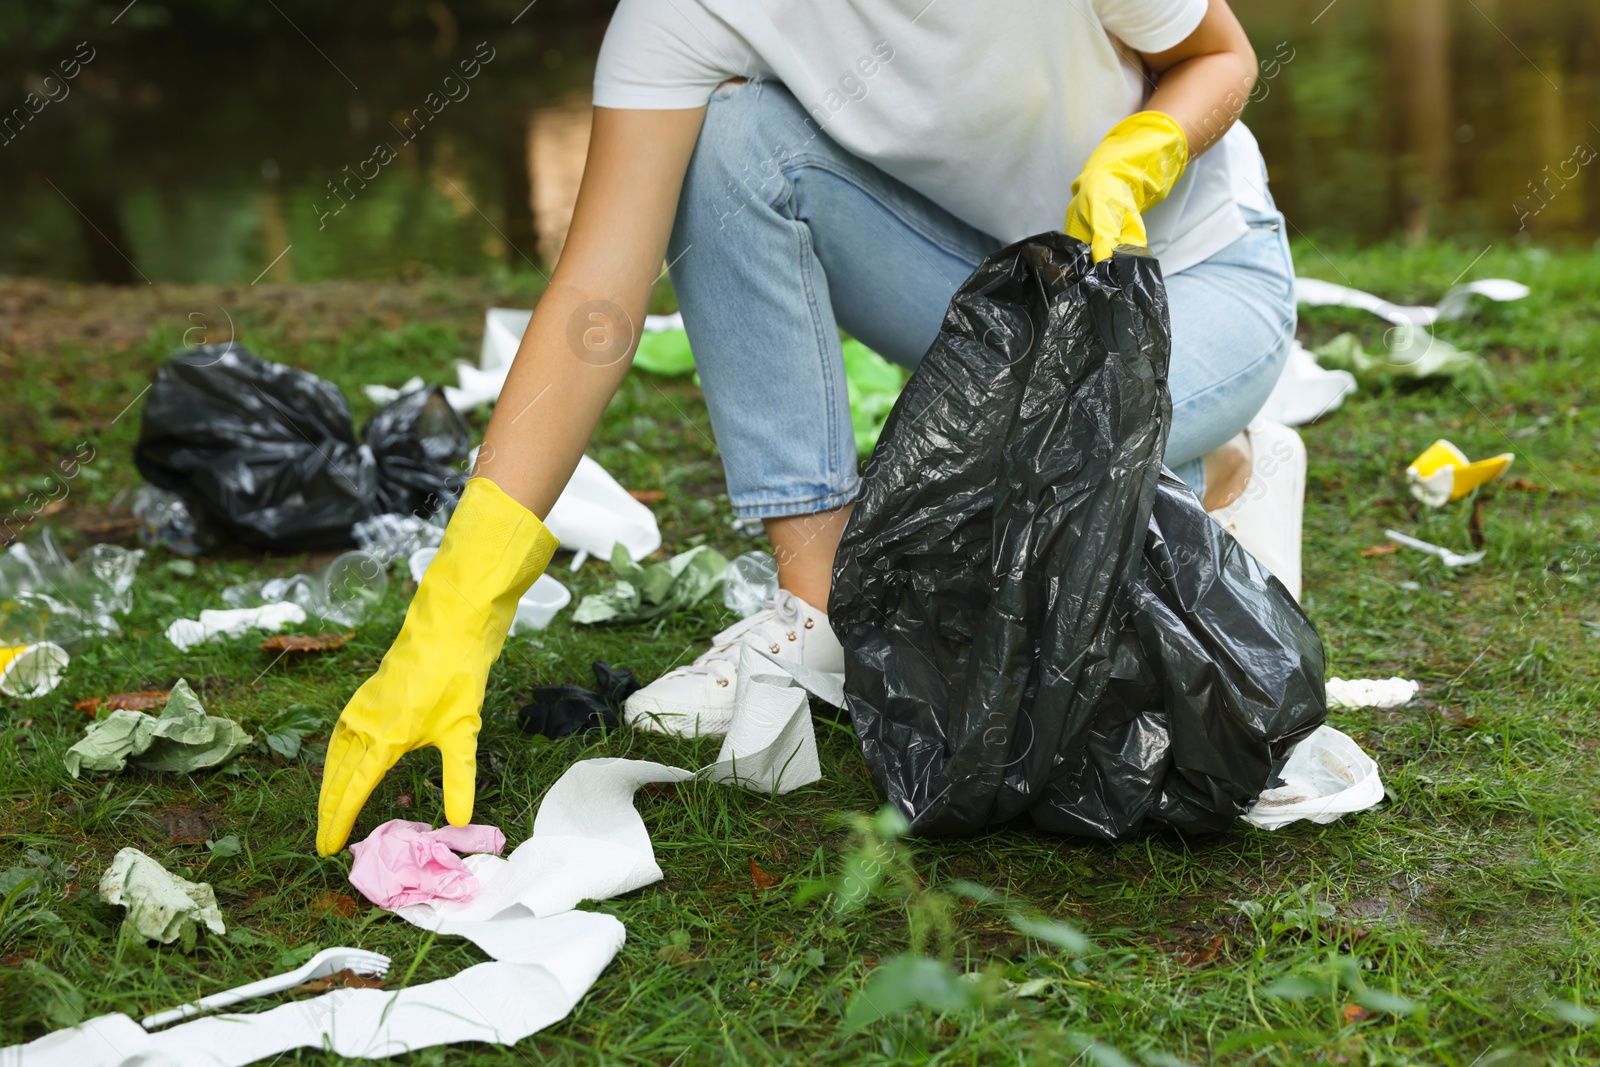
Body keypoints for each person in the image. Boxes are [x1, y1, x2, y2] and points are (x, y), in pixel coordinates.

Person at [316, 0, 1304, 856]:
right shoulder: (681, 19)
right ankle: (820, 609)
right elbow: (596, 301)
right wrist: (458, 603)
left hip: (1189, 279)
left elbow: (1223, 55)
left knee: (1004, 485)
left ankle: (1226, 469)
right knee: (733, 139)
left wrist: (1146, 149)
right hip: (989, 301)